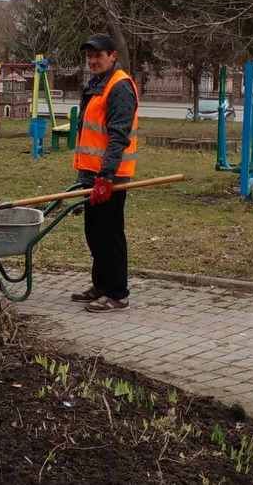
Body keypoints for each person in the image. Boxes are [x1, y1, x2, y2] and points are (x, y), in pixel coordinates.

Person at [70, 34, 138, 313]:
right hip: (91, 173)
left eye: (98, 55)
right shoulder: (97, 84)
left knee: (110, 234)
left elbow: (118, 136)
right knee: (94, 233)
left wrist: (106, 176)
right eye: (89, 56)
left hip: (111, 176)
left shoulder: (119, 86)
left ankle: (117, 293)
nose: (93, 61)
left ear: (112, 56)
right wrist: (85, 177)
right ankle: (100, 285)